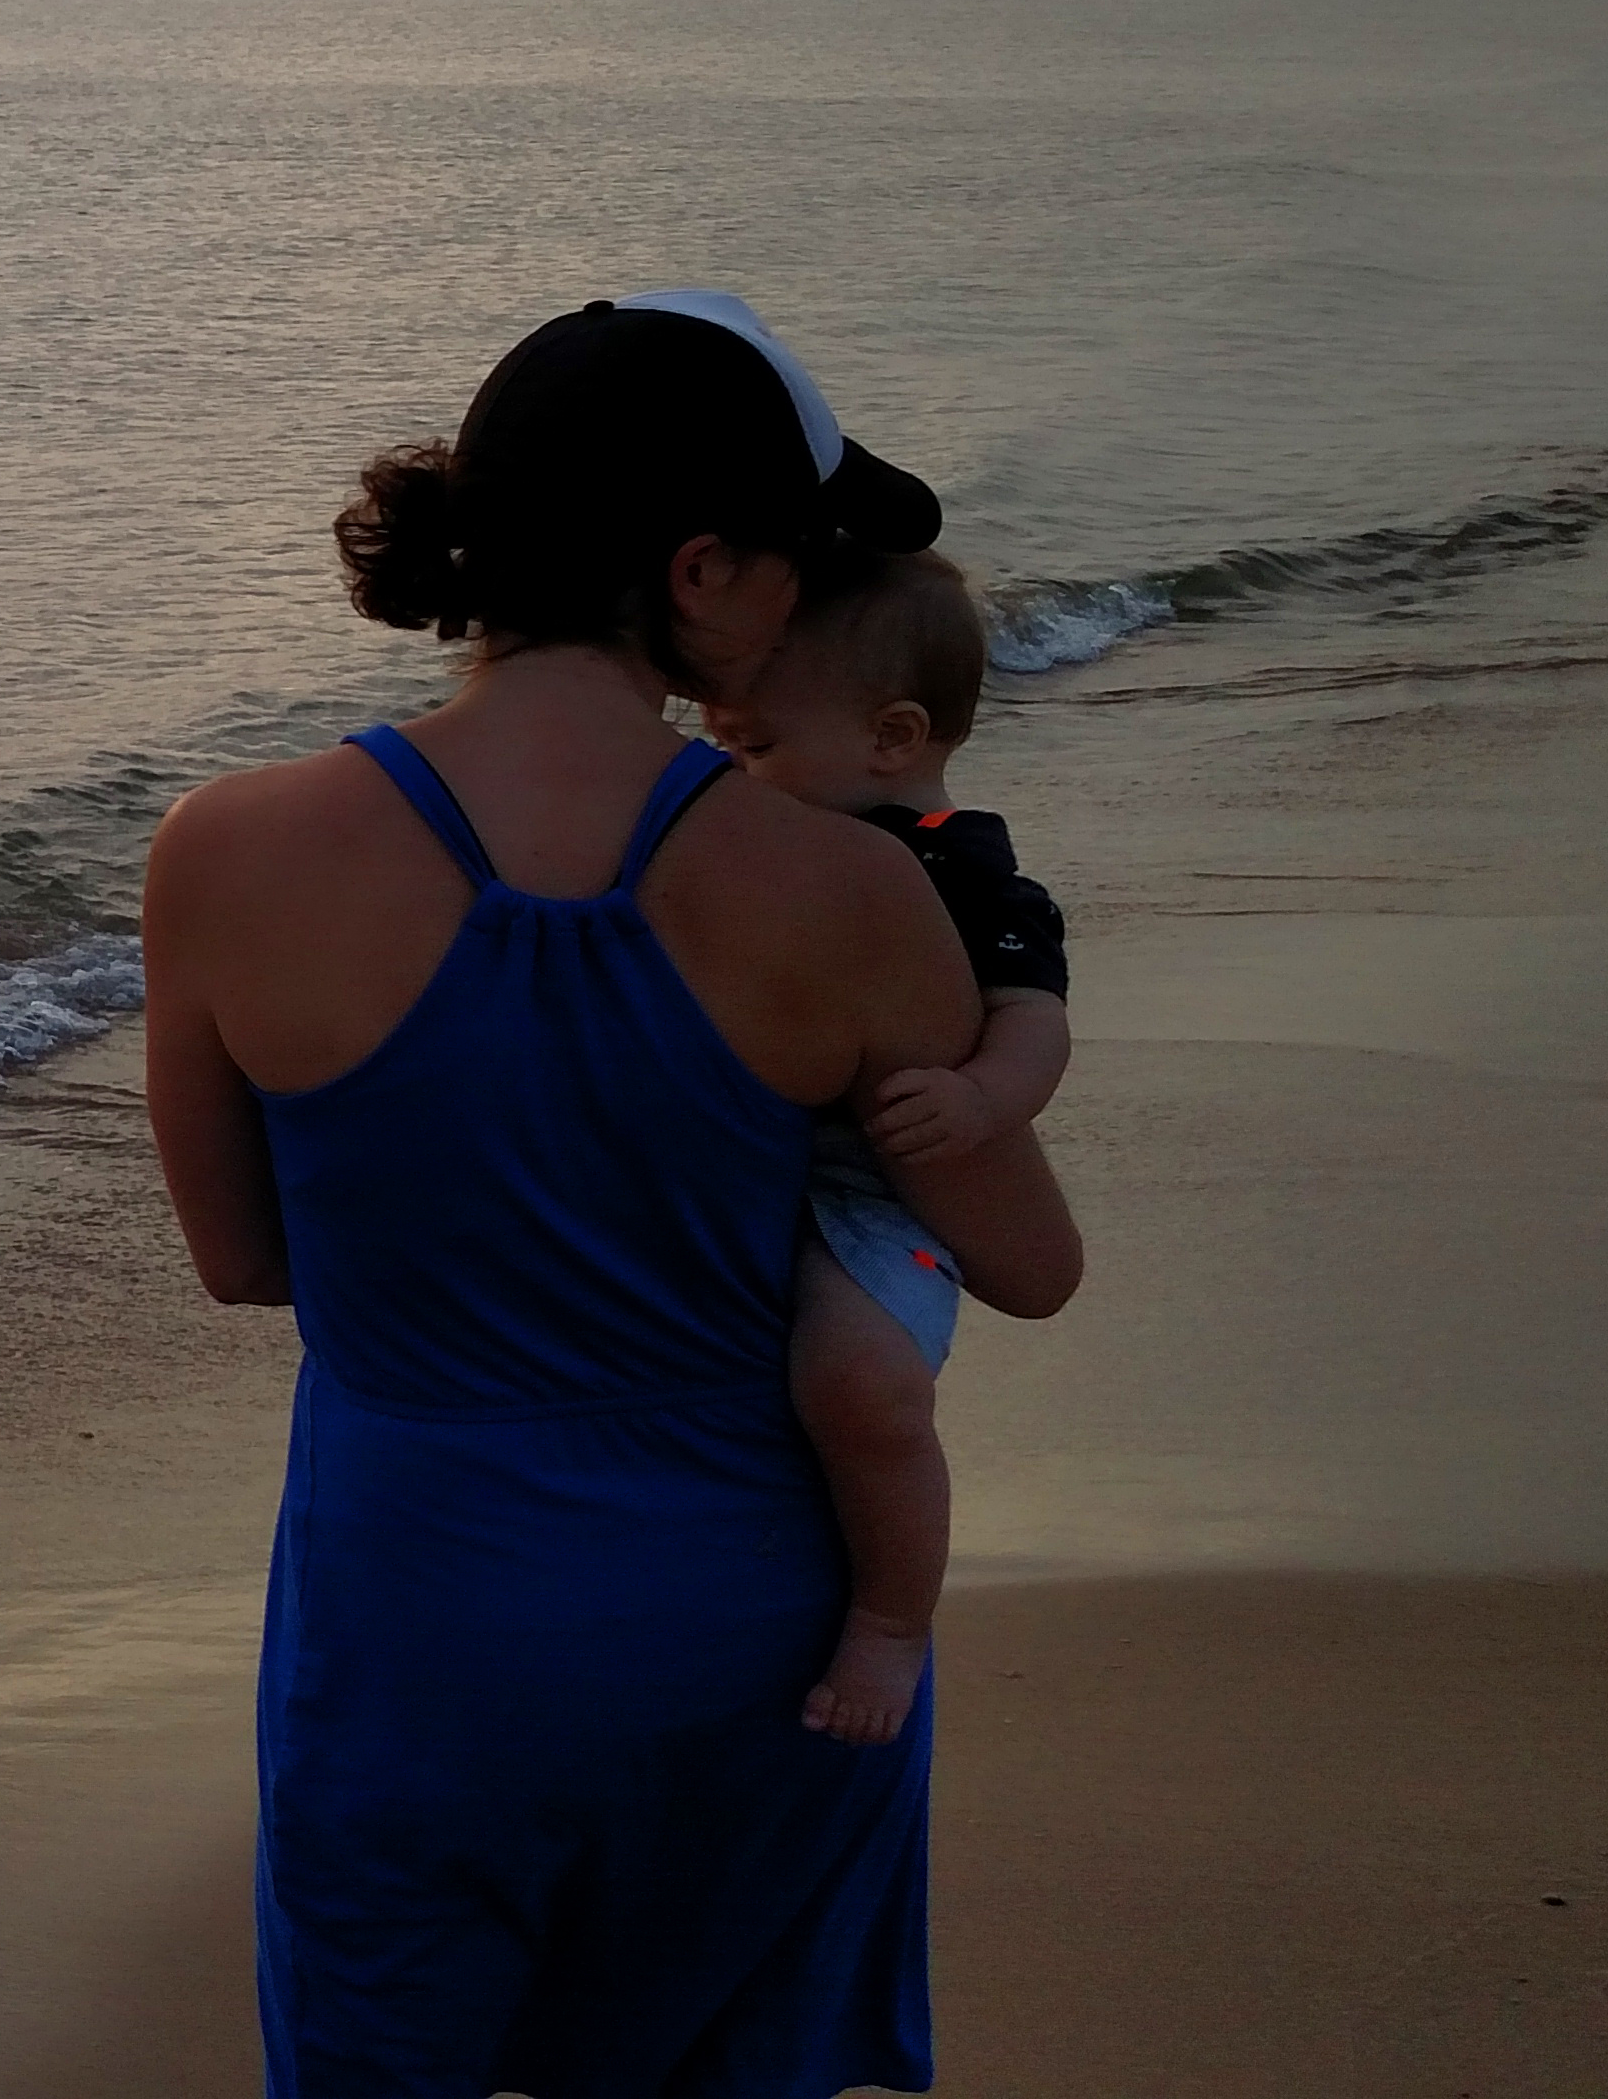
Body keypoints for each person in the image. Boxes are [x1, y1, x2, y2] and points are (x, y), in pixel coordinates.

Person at [142, 290, 1084, 2098]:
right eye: (804, 556)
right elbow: (1024, 1267)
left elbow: (247, 1258)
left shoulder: (225, 852)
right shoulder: (846, 894)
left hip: (413, 1632)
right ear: (706, 573)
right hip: (770, 1642)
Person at [699, 551, 1074, 1748]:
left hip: (886, 1200)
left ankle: (892, 1619)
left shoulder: (965, 872)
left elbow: (1034, 1018)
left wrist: (979, 1101)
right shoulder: (751, 854)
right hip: (758, 1159)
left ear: (891, 737)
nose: (727, 773)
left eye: (752, 748)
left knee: (864, 1387)